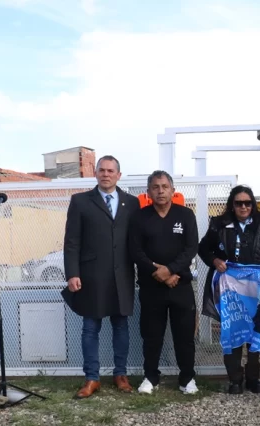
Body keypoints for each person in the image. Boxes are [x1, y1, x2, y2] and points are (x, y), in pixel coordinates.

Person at [63, 155, 140, 399]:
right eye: (102, 170)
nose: (106, 174)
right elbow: (72, 241)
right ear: (95, 174)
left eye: (110, 171)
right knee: (90, 327)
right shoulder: (80, 202)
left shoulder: (132, 202)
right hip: (91, 276)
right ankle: (91, 378)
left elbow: (136, 241)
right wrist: (72, 273)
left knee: (121, 326)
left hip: (122, 275)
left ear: (118, 175)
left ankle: (121, 374)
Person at [198, 185, 260, 394]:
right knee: (232, 330)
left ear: (253, 204)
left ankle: (254, 378)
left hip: (256, 289)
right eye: (239, 203)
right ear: (232, 205)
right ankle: (235, 378)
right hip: (229, 289)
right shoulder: (219, 224)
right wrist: (215, 260)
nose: (243, 207)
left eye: (247, 203)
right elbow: (203, 248)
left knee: (255, 330)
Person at [128, 171, 199, 395]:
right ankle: (150, 377)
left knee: (185, 335)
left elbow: (191, 248)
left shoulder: (186, 215)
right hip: (152, 286)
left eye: (165, 186)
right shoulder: (140, 217)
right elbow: (135, 251)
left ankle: (187, 378)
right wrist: (157, 271)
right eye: (156, 187)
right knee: (151, 335)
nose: (160, 190)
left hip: (181, 285)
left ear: (172, 190)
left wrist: (171, 271)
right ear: (148, 192)